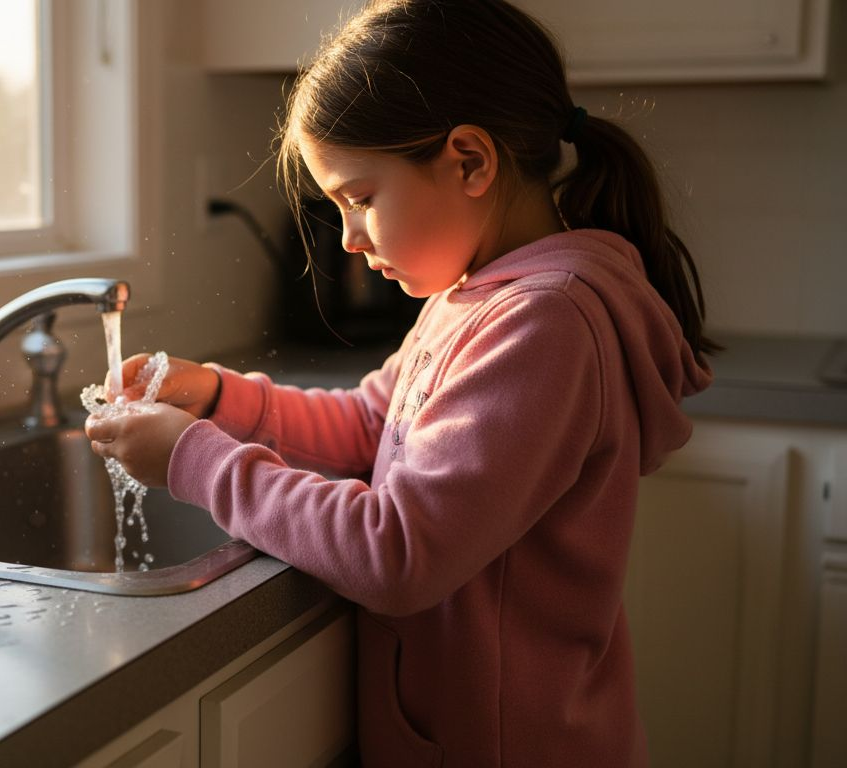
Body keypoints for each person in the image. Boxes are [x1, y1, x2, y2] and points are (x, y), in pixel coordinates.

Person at [85, 0, 714, 765]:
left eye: (360, 198)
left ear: (470, 162)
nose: (347, 237)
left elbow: (397, 553)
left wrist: (195, 457)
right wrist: (221, 397)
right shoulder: (471, 293)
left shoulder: (543, 325)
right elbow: (366, 425)